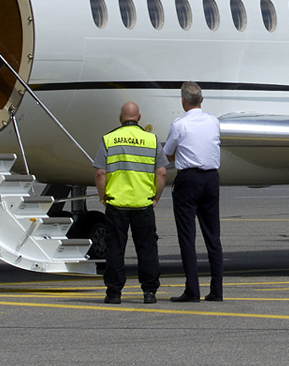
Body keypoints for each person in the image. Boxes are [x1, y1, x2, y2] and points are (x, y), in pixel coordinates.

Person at [94, 101, 166, 304]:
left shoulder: (109, 139)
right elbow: (161, 172)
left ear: (120, 118)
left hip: (116, 204)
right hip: (143, 203)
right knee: (147, 248)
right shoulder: (151, 140)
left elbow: (100, 173)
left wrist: (103, 197)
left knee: (115, 248)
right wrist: (156, 196)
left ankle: (114, 293)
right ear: (139, 118)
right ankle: (149, 291)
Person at [162, 81, 223, 302]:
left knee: (187, 236)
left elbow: (168, 153)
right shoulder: (213, 121)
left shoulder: (180, 125)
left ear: (183, 101)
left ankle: (192, 289)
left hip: (189, 179)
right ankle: (217, 289)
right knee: (213, 235)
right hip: (211, 178)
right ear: (202, 100)